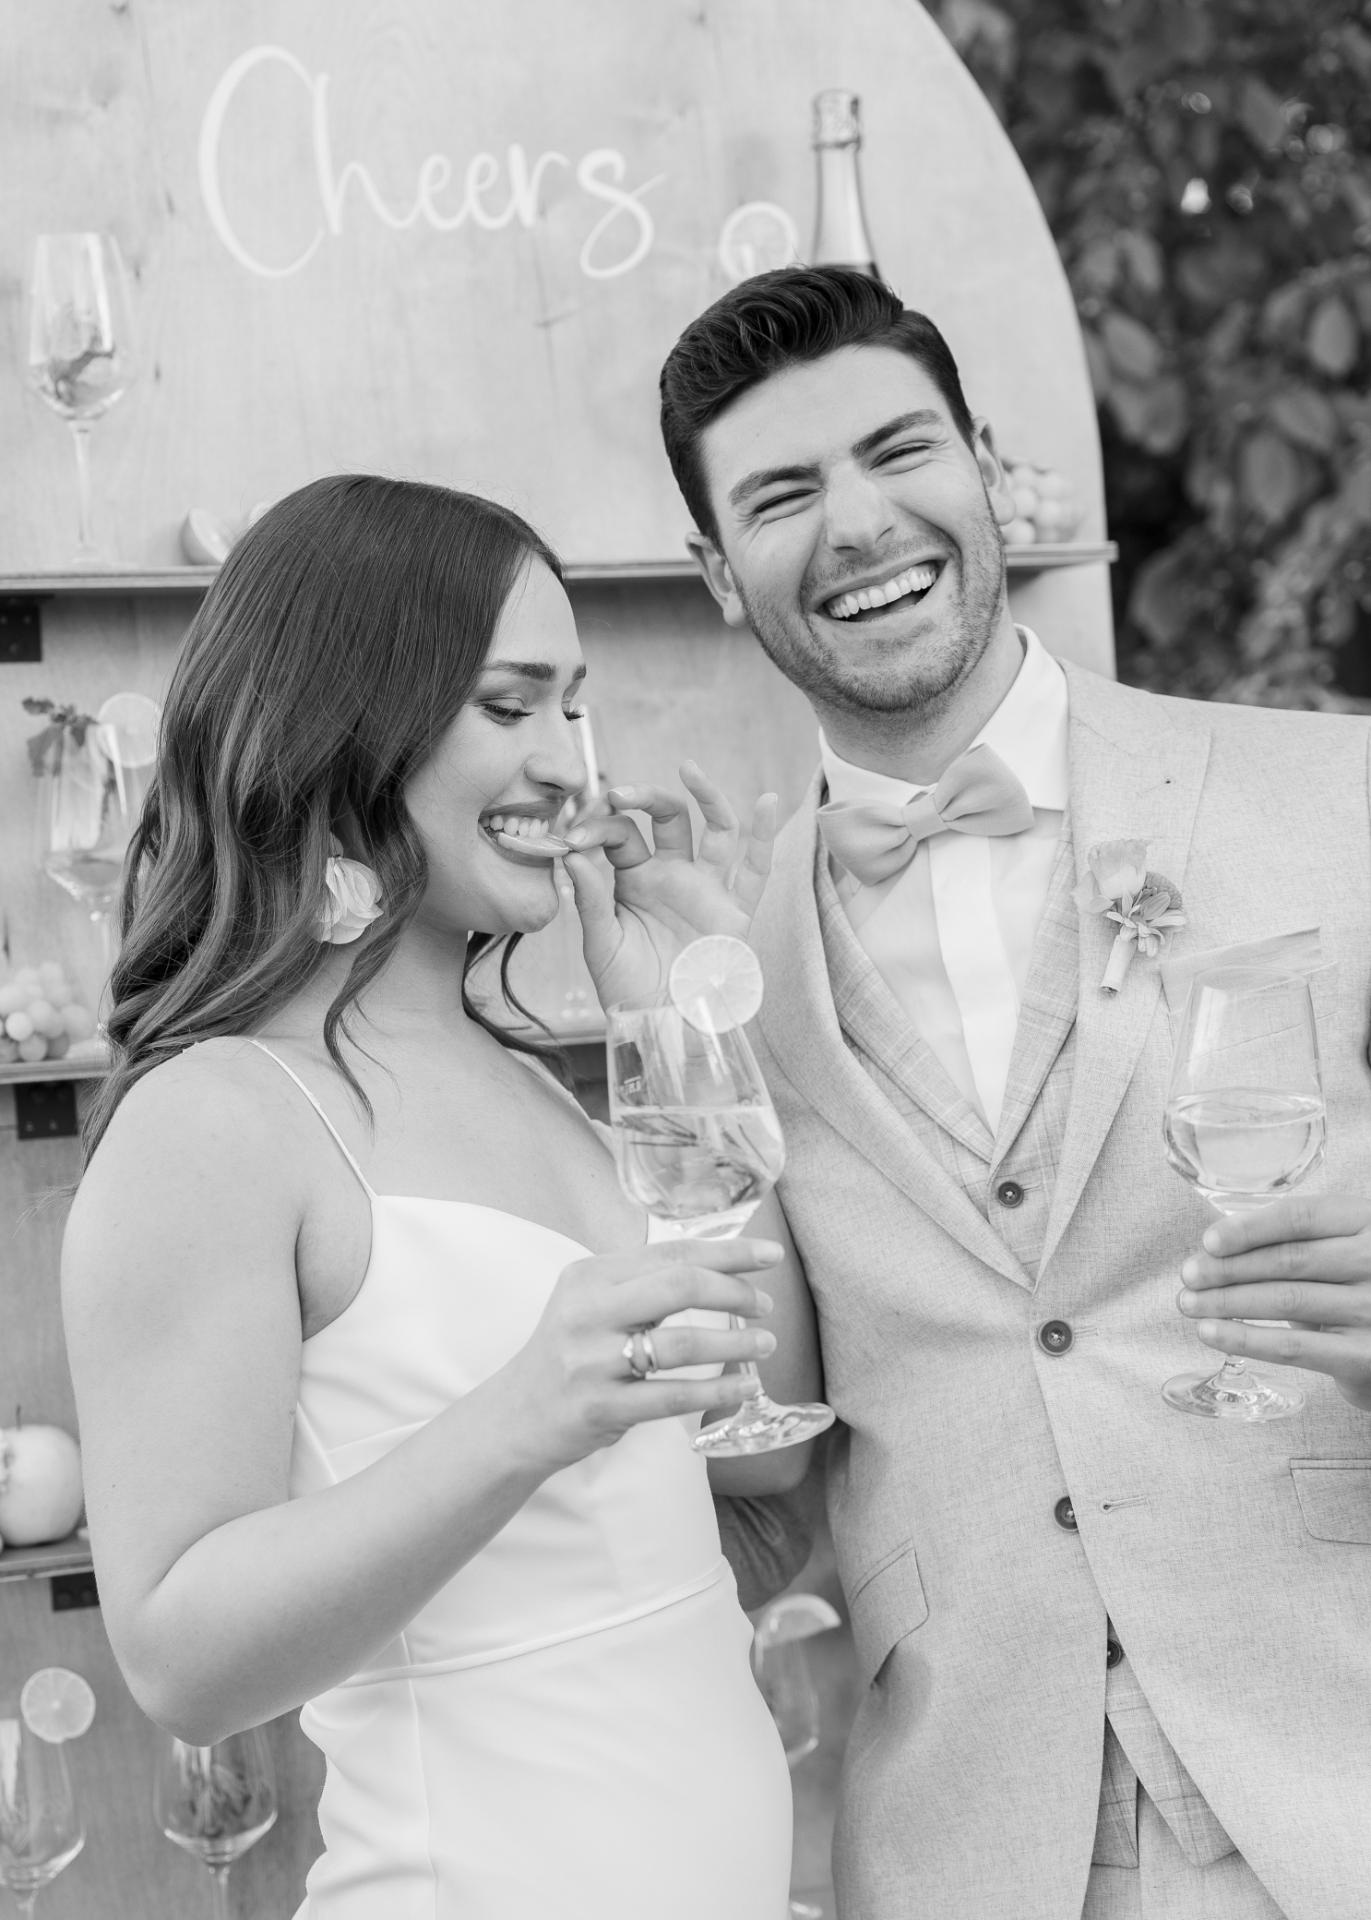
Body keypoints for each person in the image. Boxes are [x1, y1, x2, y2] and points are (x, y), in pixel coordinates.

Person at [657, 266, 1371, 1920]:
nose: (856, 524)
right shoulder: (720, 966)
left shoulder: (1331, 799)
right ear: (716, 574)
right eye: (780, 495)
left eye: (898, 451)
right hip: (976, 1836)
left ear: (984, 464)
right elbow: (767, 1445)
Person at [61, 474, 823, 1920]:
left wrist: (684, 1037)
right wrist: (522, 1417)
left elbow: (765, 1439)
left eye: (571, 707)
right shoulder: (218, 1121)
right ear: (353, 717)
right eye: (509, 705)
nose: (567, 767)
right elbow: (179, 1656)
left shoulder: (544, 1083)